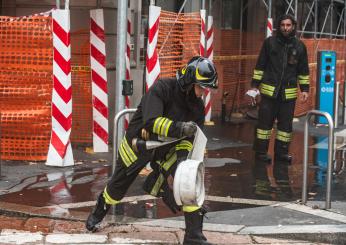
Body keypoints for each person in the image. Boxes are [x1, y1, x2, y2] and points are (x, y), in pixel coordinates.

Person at [86, 56, 218, 245]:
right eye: (202, 87)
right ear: (190, 81)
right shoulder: (162, 88)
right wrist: (179, 128)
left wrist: (182, 163)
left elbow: (192, 138)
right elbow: (151, 121)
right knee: (117, 189)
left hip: (168, 149)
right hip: (138, 145)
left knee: (189, 182)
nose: (204, 93)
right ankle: (98, 214)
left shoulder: (197, 106)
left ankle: (194, 238)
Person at [247, 15, 310, 172]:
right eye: (282, 25)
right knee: (264, 125)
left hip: (288, 96)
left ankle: (281, 153)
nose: (285, 28)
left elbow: (303, 70)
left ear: (294, 26)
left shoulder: (300, 47)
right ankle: (261, 153)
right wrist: (255, 85)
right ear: (278, 26)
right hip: (269, 94)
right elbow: (260, 64)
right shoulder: (270, 43)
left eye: (288, 25)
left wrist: (305, 89)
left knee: (285, 127)